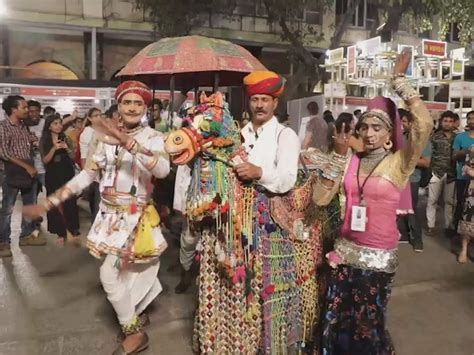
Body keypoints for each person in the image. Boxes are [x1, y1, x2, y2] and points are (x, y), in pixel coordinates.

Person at [24, 80, 170, 354]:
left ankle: (133, 331)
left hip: (135, 218)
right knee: (127, 271)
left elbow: (162, 170)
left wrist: (130, 143)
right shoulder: (104, 140)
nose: (132, 107)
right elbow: (87, 176)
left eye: (138, 103)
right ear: (119, 106)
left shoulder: (153, 137)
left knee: (109, 275)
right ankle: (135, 311)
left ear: (145, 108)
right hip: (108, 217)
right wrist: (49, 203)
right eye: (127, 102)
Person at [312, 50, 433, 353]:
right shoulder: (351, 160)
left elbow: (424, 124)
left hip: (378, 258)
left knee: (368, 323)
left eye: (377, 128)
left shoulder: (400, 163)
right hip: (344, 253)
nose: (368, 133)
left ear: (391, 134)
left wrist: (399, 81)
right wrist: (336, 159)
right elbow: (320, 198)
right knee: (336, 319)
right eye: (364, 127)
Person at [0, 95, 46, 258]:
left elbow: (26, 145)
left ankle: (26, 236)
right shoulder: (3, 127)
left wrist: (32, 141)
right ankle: (3, 242)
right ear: (13, 109)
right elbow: (4, 152)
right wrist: (26, 166)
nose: (28, 110)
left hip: (29, 169)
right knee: (7, 208)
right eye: (24, 107)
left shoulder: (23, 126)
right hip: (12, 171)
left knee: (30, 204)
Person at [40, 114, 81, 246]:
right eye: (55, 123)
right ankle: (60, 232)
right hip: (52, 173)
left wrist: (67, 148)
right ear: (49, 126)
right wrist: (54, 148)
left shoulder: (65, 137)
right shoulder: (44, 140)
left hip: (67, 171)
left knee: (70, 201)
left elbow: (74, 156)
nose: (58, 126)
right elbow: (45, 160)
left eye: (59, 123)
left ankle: (72, 229)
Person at [400, 108, 432, 252]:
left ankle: (417, 240)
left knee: (412, 210)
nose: (401, 124)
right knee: (399, 209)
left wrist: (404, 158)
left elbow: (425, 162)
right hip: (399, 178)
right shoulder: (402, 137)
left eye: (404, 121)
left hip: (412, 179)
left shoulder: (422, 139)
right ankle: (404, 235)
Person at [426, 111, 457, 236]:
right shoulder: (434, 137)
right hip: (436, 172)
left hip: (451, 174)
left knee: (449, 202)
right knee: (432, 200)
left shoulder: (457, 137)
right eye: (445, 121)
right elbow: (429, 154)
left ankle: (448, 227)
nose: (448, 124)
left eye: (450, 121)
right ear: (441, 122)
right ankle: (430, 226)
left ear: (454, 123)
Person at [79, 107, 102, 221]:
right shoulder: (87, 132)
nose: (99, 117)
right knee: (95, 202)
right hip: (92, 171)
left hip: (102, 170)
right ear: (89, 118)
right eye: (96, 115)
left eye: (100, 115)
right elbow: (84, 155)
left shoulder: (103, 130)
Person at [452, 111, 474, 232]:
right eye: (469, 118)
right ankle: (458, 232)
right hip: (462, 178)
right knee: (461, 205)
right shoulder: (460, 137)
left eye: (473, 118)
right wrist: (465, 151)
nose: (471, 121)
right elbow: (454, 156)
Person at [458, 146, 474, 263]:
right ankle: (463, 250)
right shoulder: (472, 148)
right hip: (472, 192)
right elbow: (465, 168)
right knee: (467, 219)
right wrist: (468, 171)